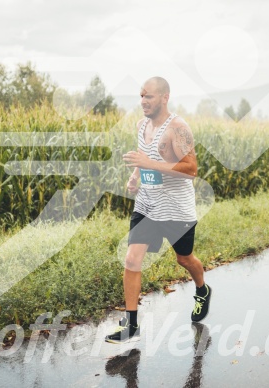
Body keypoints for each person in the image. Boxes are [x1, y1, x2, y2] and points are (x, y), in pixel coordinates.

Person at [105, 77, 212, 344]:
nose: (143, 101)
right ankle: (131, 324)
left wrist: (148, 162)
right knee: (131, 259)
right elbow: (145, 155)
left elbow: (191, 170)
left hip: (177, 210)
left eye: (149, 96)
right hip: (148, 204)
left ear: (165, 97)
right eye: (141, 96)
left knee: (184, 259)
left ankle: (202, 289)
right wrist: (136, 175)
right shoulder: (141, 125)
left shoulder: (178, 128)